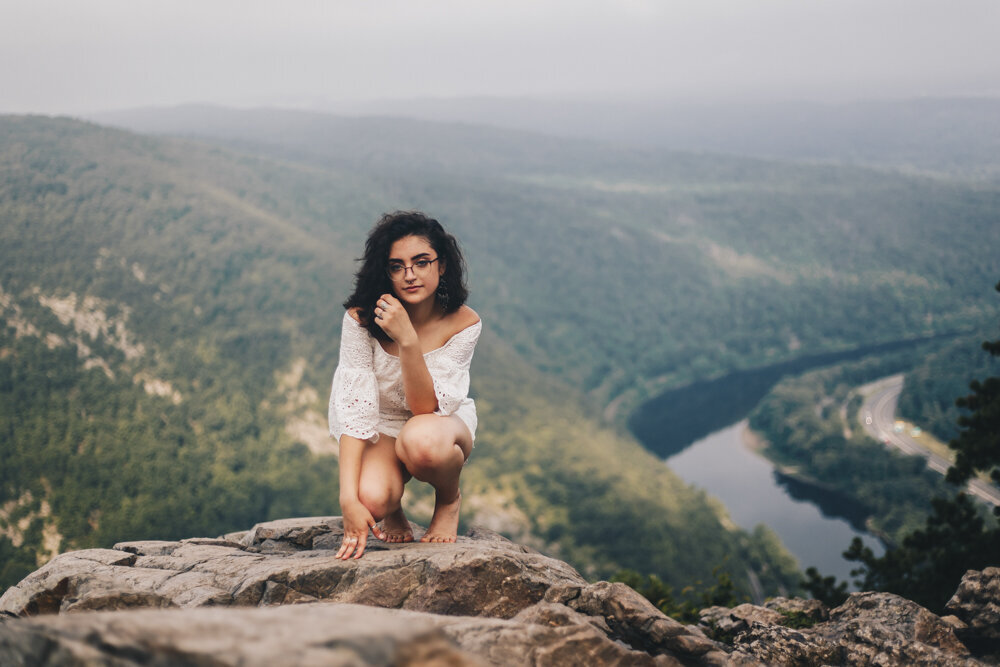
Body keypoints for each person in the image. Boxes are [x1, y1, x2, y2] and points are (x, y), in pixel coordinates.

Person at [328, 211, 481, 560]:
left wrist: (408, 341)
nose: (409, 275)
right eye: (396, 266)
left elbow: (425, 409)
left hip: (440, 424)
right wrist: (348, 499)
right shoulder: (360, 320)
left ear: (441, 266)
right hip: (381, 426)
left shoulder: (464, 322)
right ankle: (394, 505)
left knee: (422, 441)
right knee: (372, 500)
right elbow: (354, 409)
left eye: (421, 262)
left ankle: (448, 499)